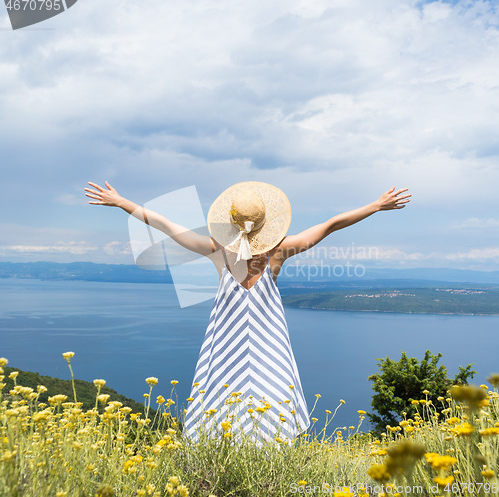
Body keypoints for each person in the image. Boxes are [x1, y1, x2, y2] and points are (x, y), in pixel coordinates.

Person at [85, 180, 411, 443]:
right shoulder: (280, 251)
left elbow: (164, 224)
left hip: (224, 351)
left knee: (220, 415)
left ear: (230, 222)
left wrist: (121, 202)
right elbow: (331, 225)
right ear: (267, 223)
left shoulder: (216, 251)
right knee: (272, 414)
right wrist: (376, 206)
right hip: (271, 352)